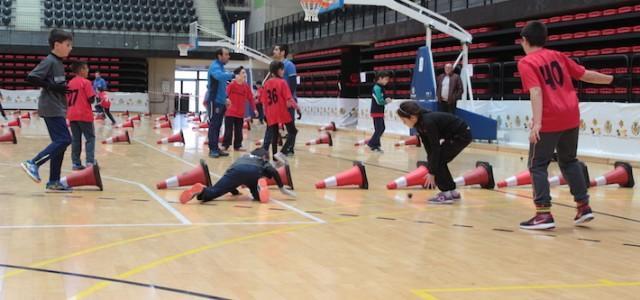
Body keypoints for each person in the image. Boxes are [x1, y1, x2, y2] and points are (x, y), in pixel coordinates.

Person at [517, 21, 628, 230]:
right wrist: (613, 80)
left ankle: (543, 213)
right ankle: (583, 207)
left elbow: (536, 92)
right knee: (569, 161)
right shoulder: (558, 56)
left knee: (537, 165)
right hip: (571, 116)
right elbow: (585, 75)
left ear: (525, 40)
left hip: (550, 119)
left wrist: (537, 123)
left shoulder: (526, 62)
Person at [20, 29, 74, 191]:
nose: (70, 48)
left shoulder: (58, 63)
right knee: (65, 140)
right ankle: (32, 163)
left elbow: (55, 85)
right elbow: (31, 77)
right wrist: (51, 86)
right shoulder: (50, 61)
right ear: (56, 45)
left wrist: (59, 88)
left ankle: (54, 181)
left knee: (60, 143)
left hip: (57, 107)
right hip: (51, 107)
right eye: (68, 45)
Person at [396, 101, 472, 204]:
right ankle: (452, 191)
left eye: (404, 121)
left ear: (412, 117)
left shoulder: (428, 122)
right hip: (454, 136)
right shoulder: (420, 124)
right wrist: (431, 162)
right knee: (435, 160)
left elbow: (436, 148)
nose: (404, 124)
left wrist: (432, 172)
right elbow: (428, 147)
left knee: (439, 160)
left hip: (461, 135)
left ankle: (446, 194)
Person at [179, 148, 296, 204]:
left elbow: (229, 175)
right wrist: (281, 188)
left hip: (235, 170)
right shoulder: (262, 161)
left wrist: (234, 191)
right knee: (257, 196)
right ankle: (260, 188)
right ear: (264, 157)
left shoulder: (242, 157)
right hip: (255, 173)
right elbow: (273, 171)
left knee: (214, 191)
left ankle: (202, 191)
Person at [261, 61, 299, 158]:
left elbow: (263, 101)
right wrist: (297, 108)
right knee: (293, 131)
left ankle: (274, 156)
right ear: (276, 71)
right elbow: (289, 98)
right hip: (281, 111)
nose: (283, 71)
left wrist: (265, 114)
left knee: (274, 135)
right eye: (281, 69)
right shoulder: (282, 82)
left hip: (270, 112)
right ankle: (282, 153)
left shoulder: (266, 83)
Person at [66, 61, 97, 171]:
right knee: (90, 138)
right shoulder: (86, 82)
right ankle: (90, 162)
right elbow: (91, 99)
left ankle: (76, 163)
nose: (88, 71)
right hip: (84, 114)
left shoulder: (70, 83)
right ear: (81, 70)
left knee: (76, 139)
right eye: (87, 68)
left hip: (72, 114)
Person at [272, 44, 302, 156]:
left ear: (283, 52)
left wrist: (288, 99)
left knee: (290, 127)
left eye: (276, 49)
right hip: (279, 102)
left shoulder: (289, 65)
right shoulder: (276, 66)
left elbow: (293, 84)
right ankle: (276, 151)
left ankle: (290, 148)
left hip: (288, 101)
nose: (274, 51)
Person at [207, 47, 235, 158]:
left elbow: (222, 87)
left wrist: (226, 99)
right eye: (226, 54)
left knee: (218, 126)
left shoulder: (222, 68)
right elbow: (219, 76)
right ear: (220, 56)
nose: (228, 56)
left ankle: (216, 148)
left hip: (220, 101)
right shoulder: (215, 67)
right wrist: (233, 75)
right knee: (214, 125)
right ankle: (212, 149)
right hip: (214, 101)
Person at [223, 66, 256, 151]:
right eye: (243, 73)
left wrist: (254, 109)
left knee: (239, 131)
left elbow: (251, 98)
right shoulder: (231, 85)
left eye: (245, 73)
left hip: (240, 113)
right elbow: (225, 95)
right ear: (237, 75)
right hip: (230, 112)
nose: (245, 75)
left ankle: (237, 145)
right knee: (228, 131)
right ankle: (225, 145)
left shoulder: (246, 86)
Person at [367, 71, 392, 153]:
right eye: (386, 79)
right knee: (379, 129)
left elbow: (383, 97)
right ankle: (372, 144)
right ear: (380, 78)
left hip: (380, 111)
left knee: (381, 128)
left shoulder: (381, 88)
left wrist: (387, 98)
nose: (387, 81)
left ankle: (375, 145)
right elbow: (379, 101)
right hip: (376, 111)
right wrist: (386, 101)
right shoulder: (377, 88)